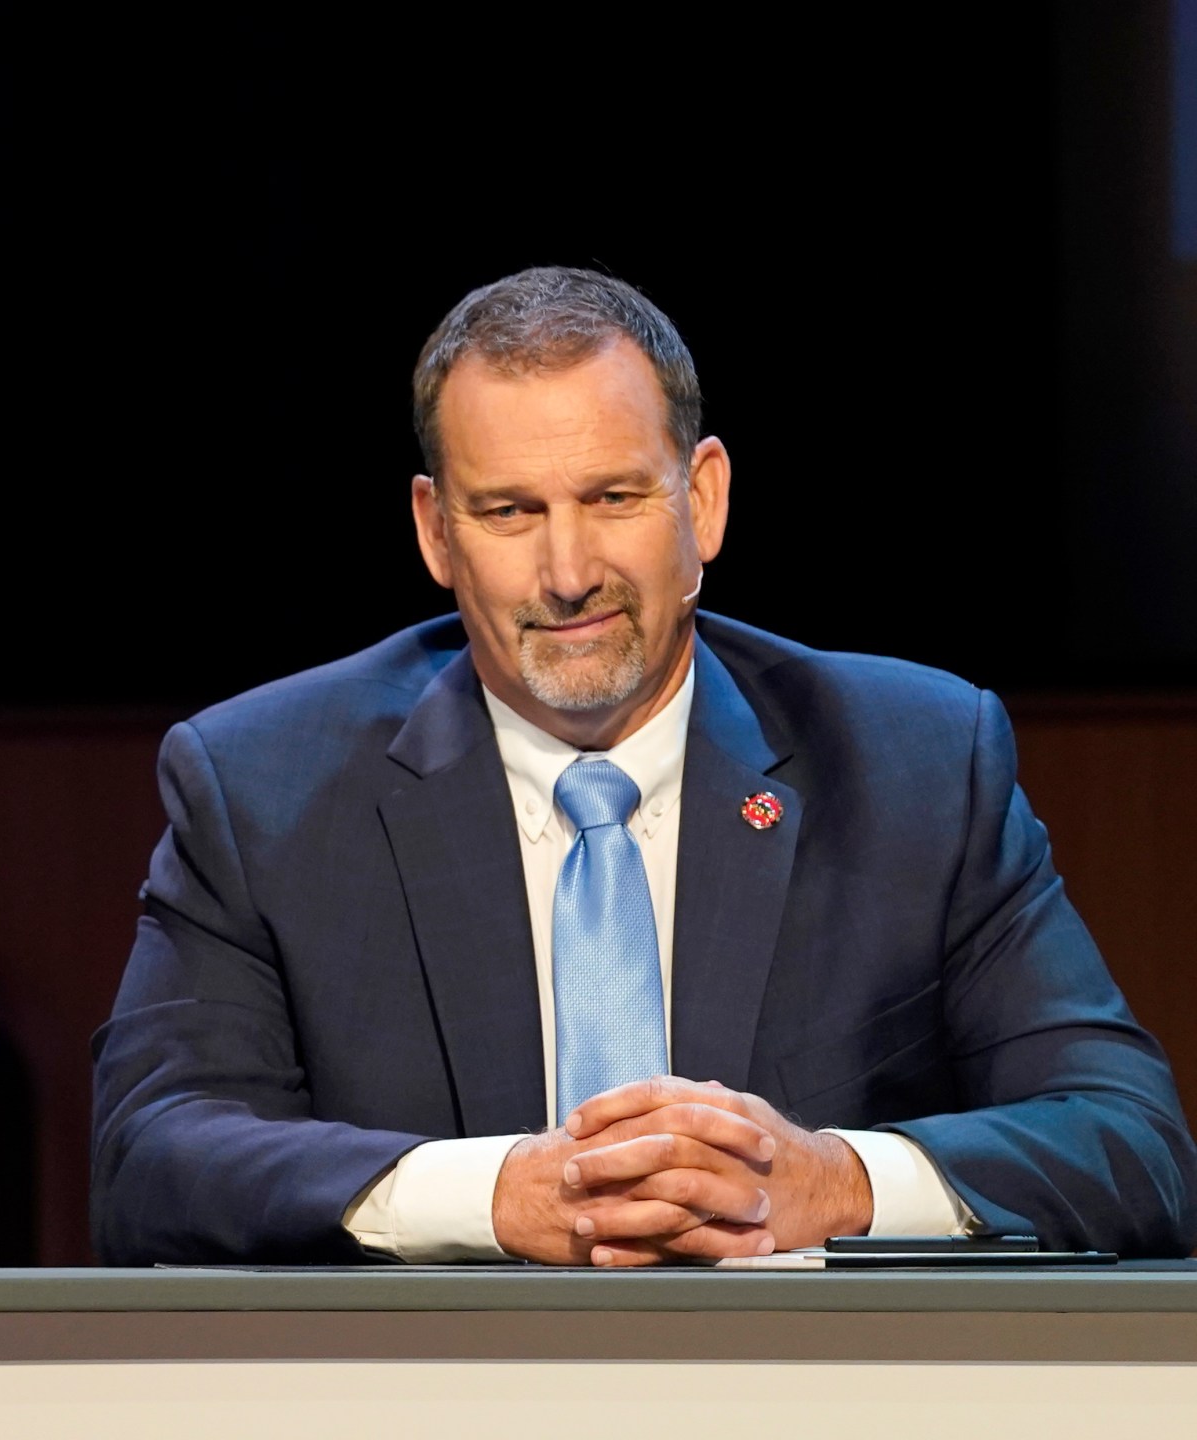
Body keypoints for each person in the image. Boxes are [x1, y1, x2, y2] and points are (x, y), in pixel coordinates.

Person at [91, 266, 1197, 1265]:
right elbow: (152, 1157)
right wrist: (492, 1197)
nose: (566, 572)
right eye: (509, 511)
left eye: (613, 498)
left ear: (701, 499)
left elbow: (1126, 1140)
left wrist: (833, 1183)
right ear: (435, 533)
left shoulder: (914, 763)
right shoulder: (258, 785)